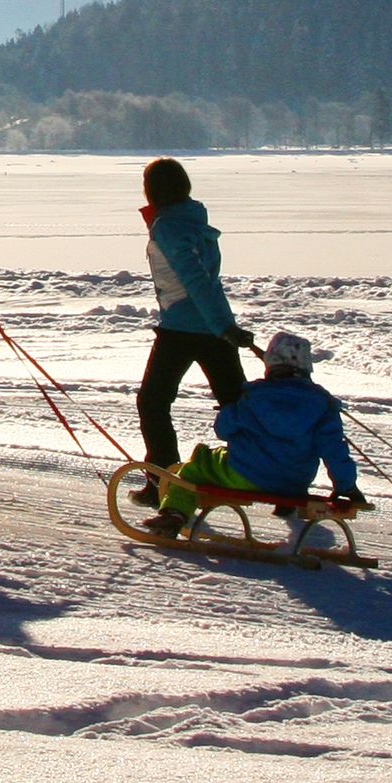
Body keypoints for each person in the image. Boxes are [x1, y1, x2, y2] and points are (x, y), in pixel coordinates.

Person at [156, 329, 362, 548]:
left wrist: (230, 410)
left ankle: (174, 515)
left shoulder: (253, 395)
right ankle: (285, 504)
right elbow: (334, 450)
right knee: (287, 462)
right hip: (294, 482)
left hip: (243, 475)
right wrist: (346, 486)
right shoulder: (322, 404)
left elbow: (223, 429)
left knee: (194, 467)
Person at [130, 157, 250, 502]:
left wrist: (222, 327)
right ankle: (266, 473)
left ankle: (162, 482)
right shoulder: (192, 219)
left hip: (184, 328)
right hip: (213, 326)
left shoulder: (169, 226)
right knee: (235, 404)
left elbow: (194, 279)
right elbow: (208, 281)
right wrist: (224, 326)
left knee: (152, 403)